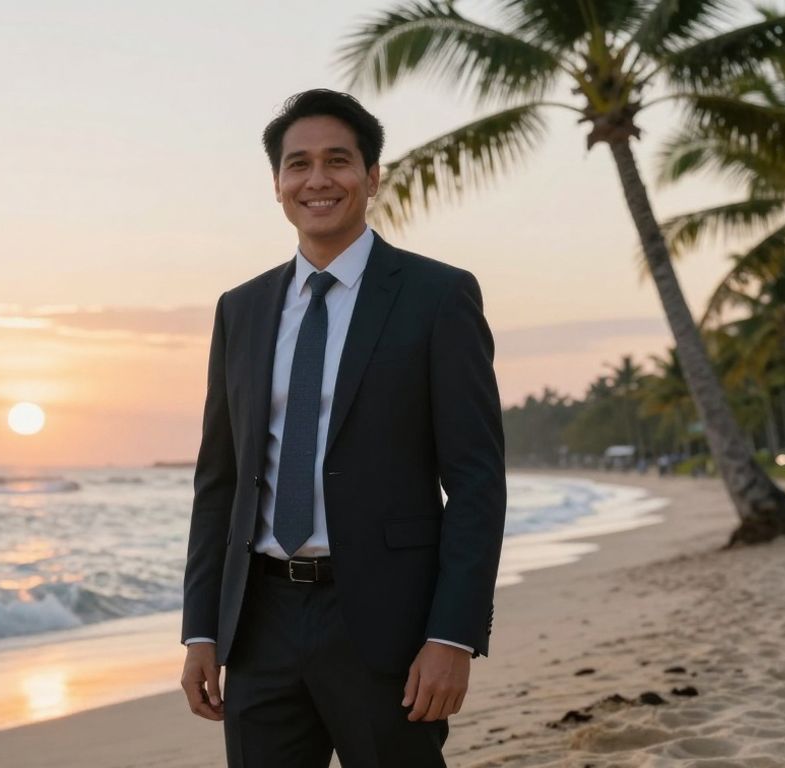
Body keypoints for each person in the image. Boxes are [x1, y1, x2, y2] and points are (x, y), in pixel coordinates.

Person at [179, 89, 507, 768]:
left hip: (388, 624)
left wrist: (452, 635)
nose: (317, 179)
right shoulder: (240, 309)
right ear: (277, 184)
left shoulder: (438, 297)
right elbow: (220, 482)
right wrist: (201, 629)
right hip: (260, 621)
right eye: (298, 164)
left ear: (372, 176)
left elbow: (476, 481)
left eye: (338, 160)